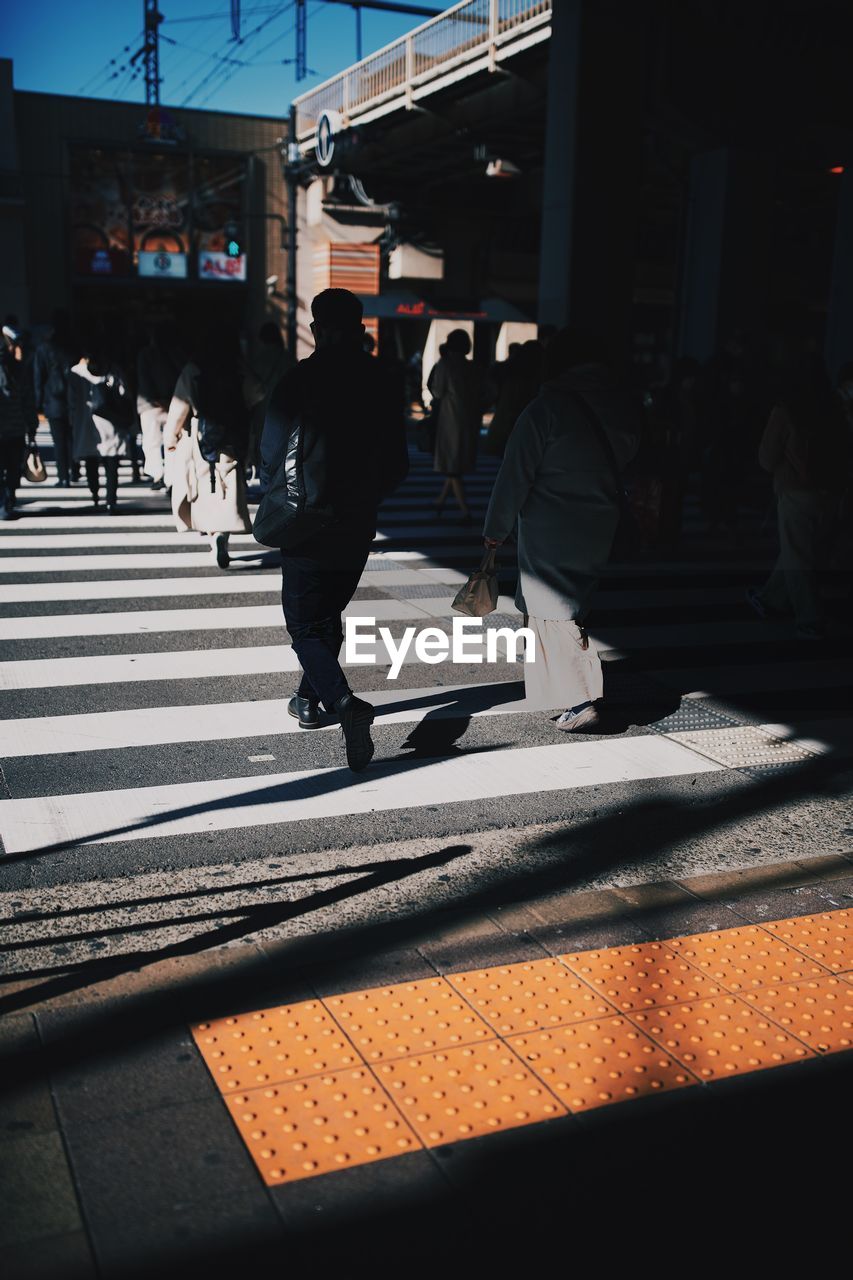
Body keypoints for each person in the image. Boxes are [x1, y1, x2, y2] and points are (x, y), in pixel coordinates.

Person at [261, 288, 408, 771]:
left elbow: (270, 451)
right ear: (362, 328)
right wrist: (364, 496)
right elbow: (398, 463)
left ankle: (345, 705)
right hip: (358, 520)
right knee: (328, 616)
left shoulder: (300, 379)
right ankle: (308, 700)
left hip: (307, 520)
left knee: (304, 623)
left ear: (317, 329)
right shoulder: (382, 382)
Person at [483, 328, 642, 731]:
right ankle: (567, 691)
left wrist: (495, 530)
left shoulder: (546, 409)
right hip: (599, 517)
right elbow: (632, 454)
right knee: (571, 602)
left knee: (553, 609)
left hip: (549, 523)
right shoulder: (619, 405)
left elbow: (513, 475)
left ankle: (579, 697)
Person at [746, 353, 849, 640]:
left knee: (798, 556)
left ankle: (810, 618)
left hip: (796, 493)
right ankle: (770, 599)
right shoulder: (833, 406)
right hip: (831, 491)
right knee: (798, 550)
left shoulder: (786, 409)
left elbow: (766, 458)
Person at [164, 324, 252, 569]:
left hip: (201, 435)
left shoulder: (193, 368)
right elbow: (257, 394)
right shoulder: (237, 366)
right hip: (233, 435)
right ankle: (226, 533)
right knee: (229, 485)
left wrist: (171, 438)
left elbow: (179, 405)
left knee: (206, 487)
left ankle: (214, 536)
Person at [428, 329, 489, 521]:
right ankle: (440, 501)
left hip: (450, 419)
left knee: (452, 467)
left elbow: (437, 392)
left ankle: (465, 511)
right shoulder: (474, 368)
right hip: (470, 420)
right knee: (456, 464)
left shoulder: (445, 364)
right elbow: (487, 392)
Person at [67, 338, 133, 514]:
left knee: (91, 460)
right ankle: (111, 501)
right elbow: (124, 394)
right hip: (110, 422)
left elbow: (72, 402)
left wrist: (73, 421)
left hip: (87, 423)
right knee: (111, 464)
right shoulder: (113, 370)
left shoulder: (75, 372)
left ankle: (95, 493)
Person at [137, 324, 183, 489]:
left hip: (150, 404)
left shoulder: (146, 355)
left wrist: (154, 398)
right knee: (170, 440)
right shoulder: (174, 354)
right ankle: (168, 477)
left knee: (152, 442)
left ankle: (158, 475)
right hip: (169, 402)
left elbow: (143, 380)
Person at [33, 309, 76, 486]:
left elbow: (38, 378)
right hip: (73, 399)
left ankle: (63, 476)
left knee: (59, 440)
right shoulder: (72, 345)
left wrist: (37, 405)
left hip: (53, 400)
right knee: (71, 438)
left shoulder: (44, 348)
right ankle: (75, 470)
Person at [245, 321, 291, 483]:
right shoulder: (288, 358)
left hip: (262, 408)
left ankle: (266, 479)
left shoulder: (258, 360)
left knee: (263, 442)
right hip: (285, 407)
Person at [0, 323, 38, 519]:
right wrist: (32, 426)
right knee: (13, 466)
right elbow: (28, 400)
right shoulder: (19, 372)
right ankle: (10, 498)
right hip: (16, 427)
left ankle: (3, 503)